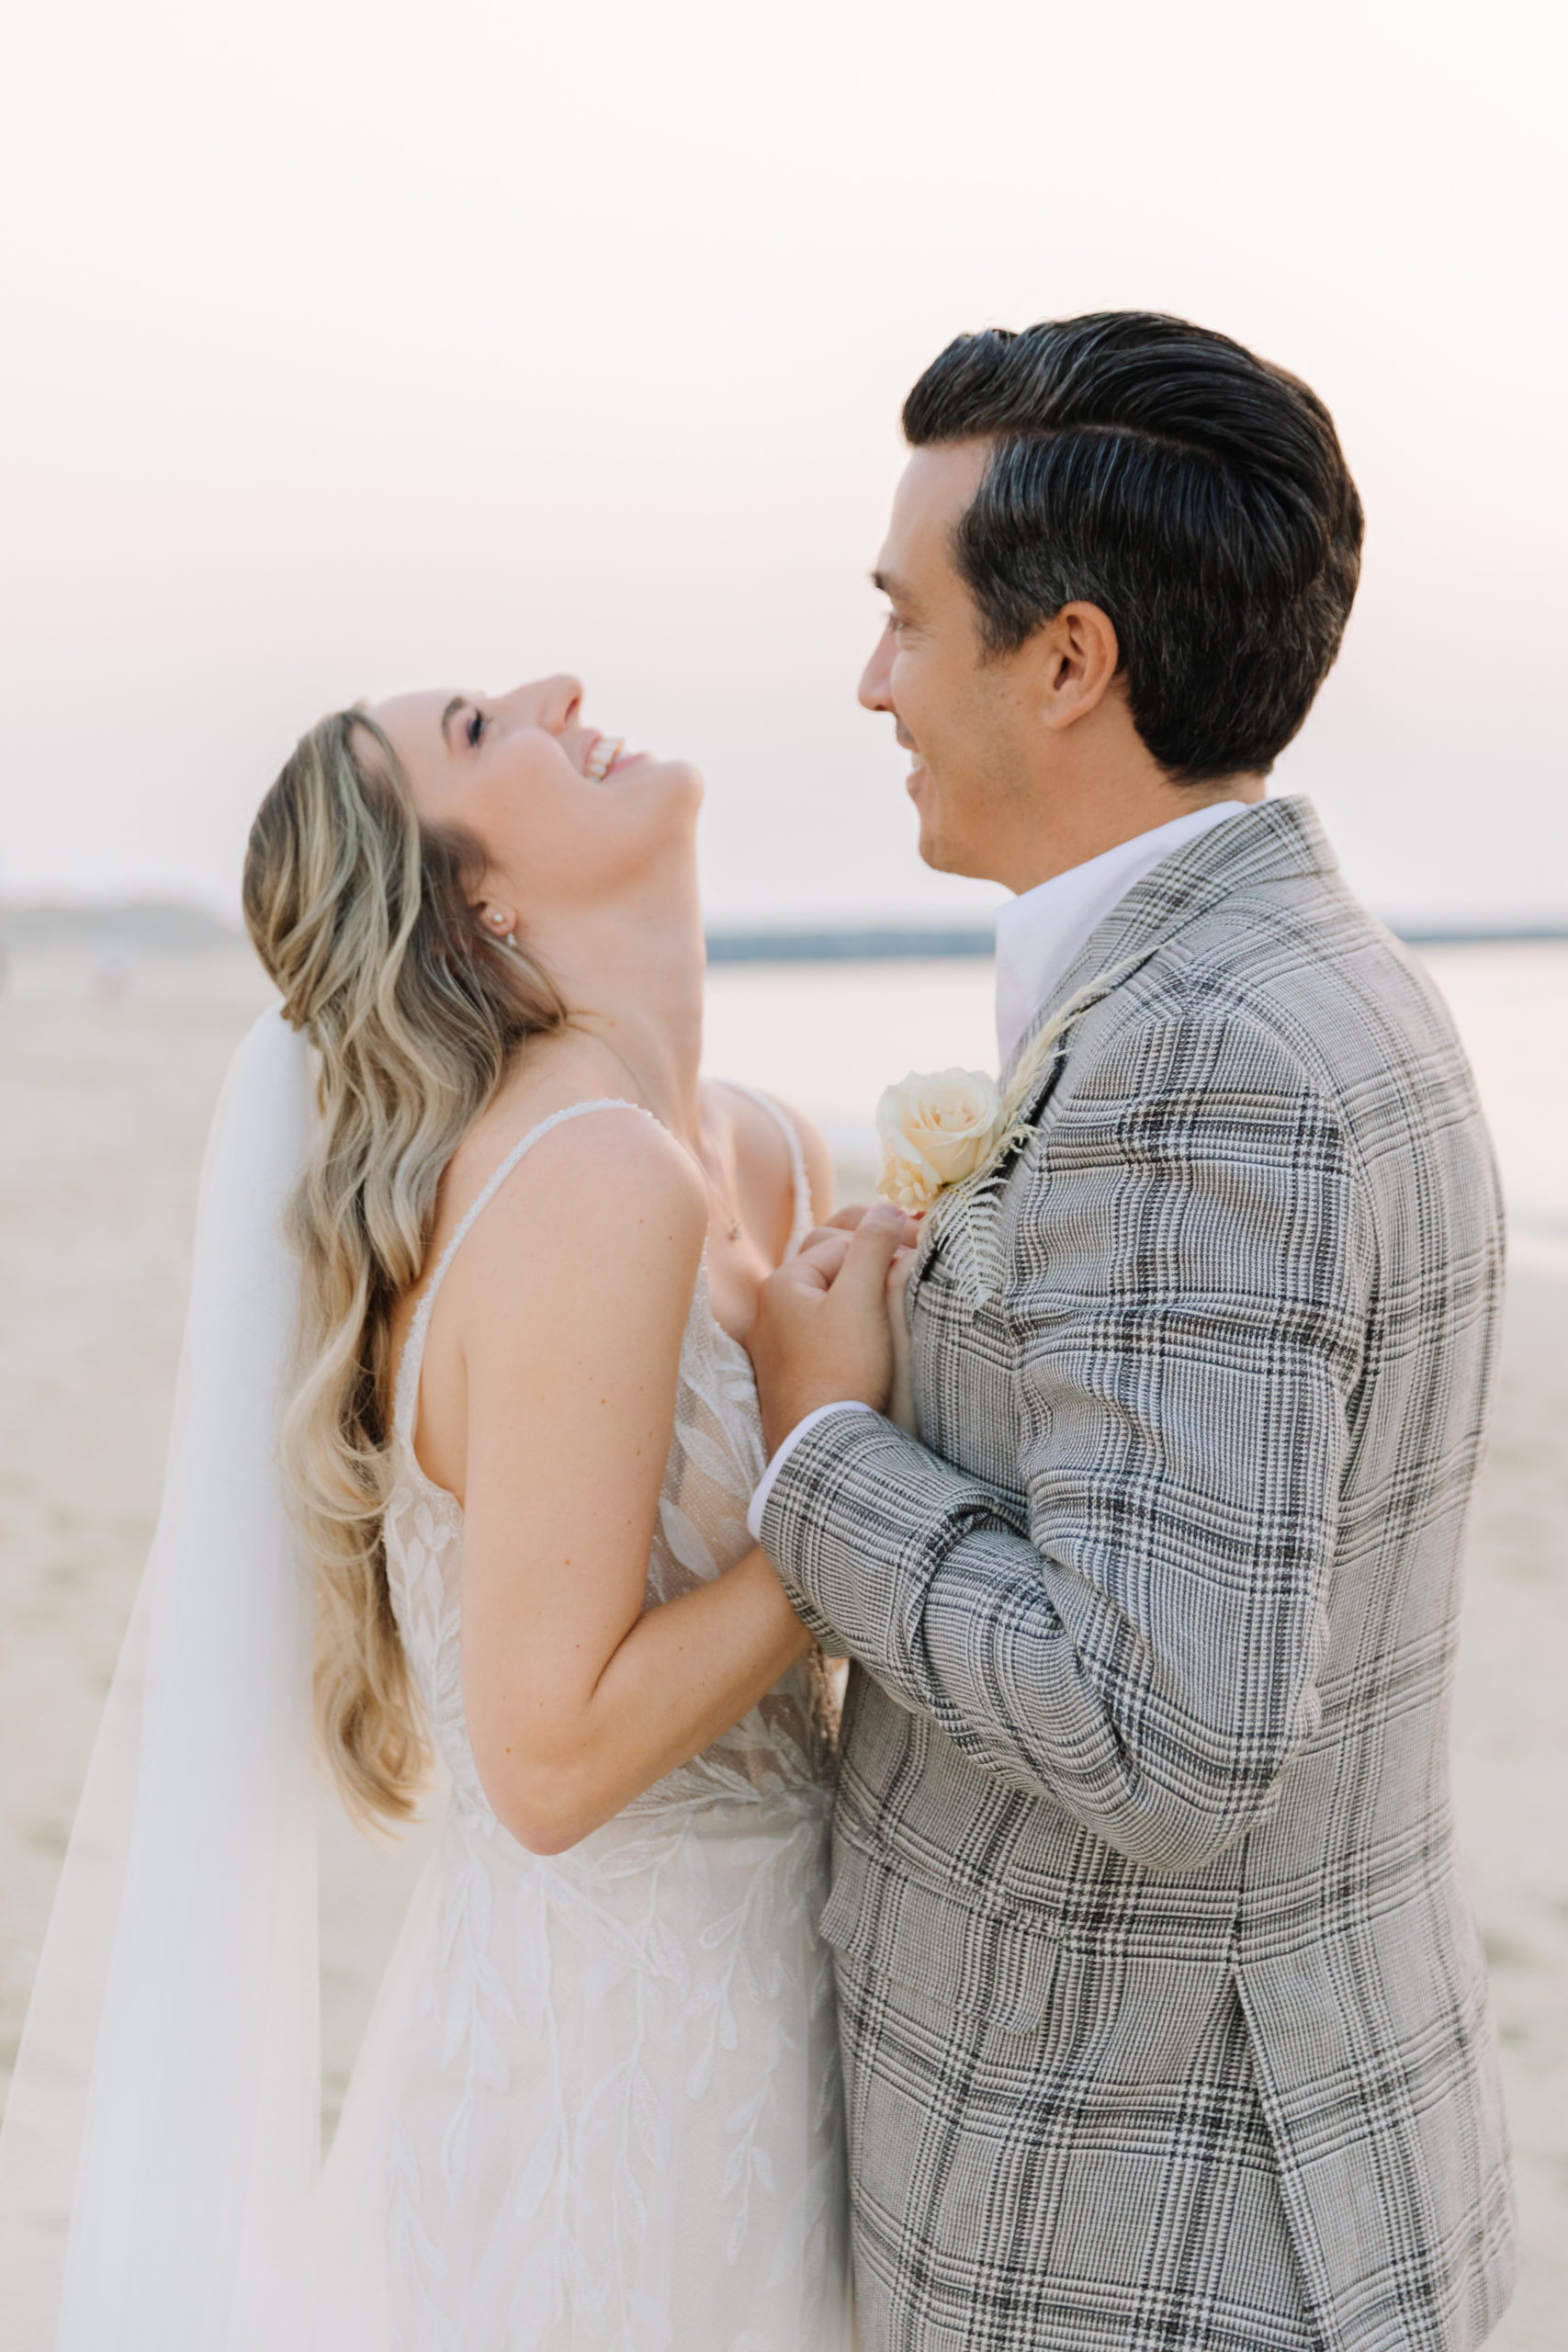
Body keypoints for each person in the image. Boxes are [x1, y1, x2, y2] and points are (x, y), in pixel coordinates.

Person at [744, 312, 1515, 2352]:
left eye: (907, 621)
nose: (874, 683)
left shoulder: (1202, 1051)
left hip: (1158, 2226)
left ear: (1068, 659)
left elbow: (1169, 1731)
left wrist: (825, 1451)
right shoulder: (1306, 973)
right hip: (1258, 2143)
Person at [0, 680, 853, 2350]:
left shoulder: (750, 1147)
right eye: (479, 727)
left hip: (790, 2017)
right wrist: (839, 1467)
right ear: (477, 903)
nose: (558, 695)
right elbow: (545, 1760)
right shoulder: (590, 1177)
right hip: (628, 2095)